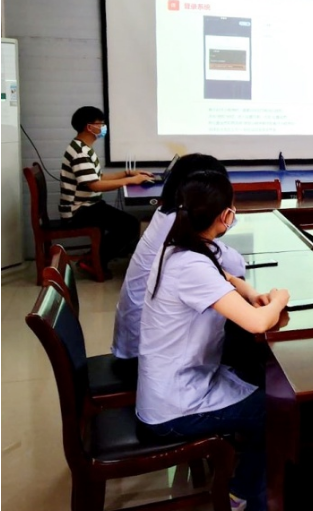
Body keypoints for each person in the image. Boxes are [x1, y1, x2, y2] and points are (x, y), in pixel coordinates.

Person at [136, 171, 290, 511]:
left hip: (169, 386)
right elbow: (258, 322)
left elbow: (225, 276)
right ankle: (243, 493)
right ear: (225, 216)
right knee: (276, 413)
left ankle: (250, 477)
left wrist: (250, 292)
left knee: (255, 376)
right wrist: (279, 298)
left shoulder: (178, 248)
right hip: (174, 408)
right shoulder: (191, 265)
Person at [111, 155, 246, 365]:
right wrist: (224, 220)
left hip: (139, 337)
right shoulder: (180, 225)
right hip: (144, 352)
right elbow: (236, 266)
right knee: (240, 333)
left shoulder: (168, 213)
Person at [59, 106, 153, 274]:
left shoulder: (83, 147)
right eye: (100, 124)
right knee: (130, 225)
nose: (103, 127)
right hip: (79, 210)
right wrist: (130, 181)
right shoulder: (80, 152)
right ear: (89, 127)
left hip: (88, 206)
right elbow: (94, 185)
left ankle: (93, 257)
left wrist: (127, 174)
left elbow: (98, 177)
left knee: (126, 223)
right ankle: (94, 261)